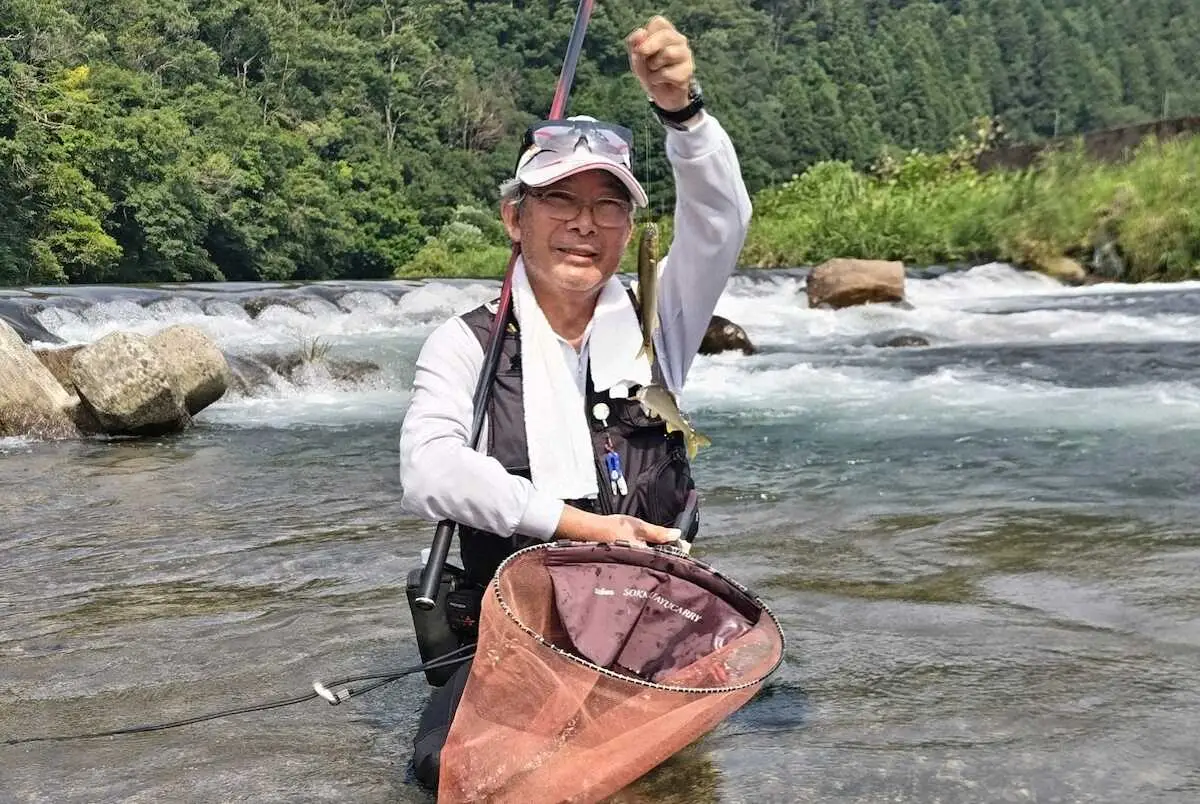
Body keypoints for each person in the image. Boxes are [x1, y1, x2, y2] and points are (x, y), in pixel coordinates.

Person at [398, 14, 752, 790]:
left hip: (656, 619)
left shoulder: (662, 322)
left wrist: (683, 112)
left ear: (629, 226)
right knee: (444, 770)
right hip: (525, 631)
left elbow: (722, 219)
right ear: (513, 217)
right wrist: (584, 527)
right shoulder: (464, 345)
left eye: (608, 204)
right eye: (559, 199)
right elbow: (428, 471)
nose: (584, 224)